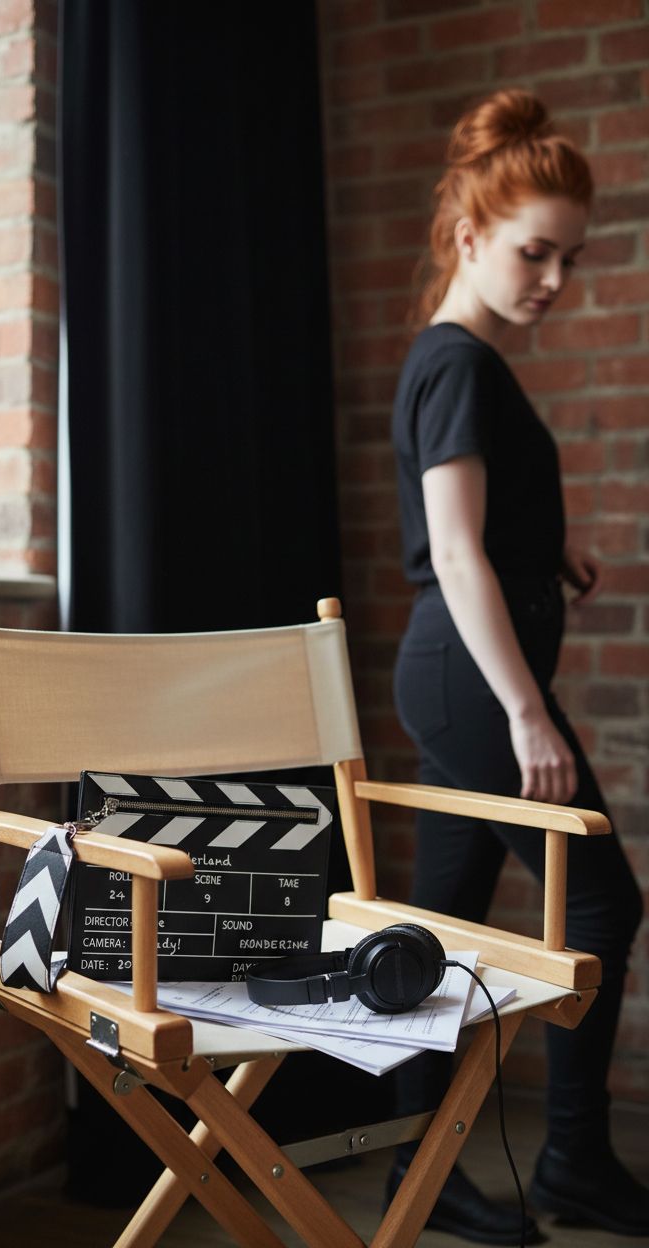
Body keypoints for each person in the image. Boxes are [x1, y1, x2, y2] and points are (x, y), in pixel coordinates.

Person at [386, 88, 646, 1243]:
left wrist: (551, 556)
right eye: (534, 252)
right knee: (600, 895)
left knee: (438, 922)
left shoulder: (469, 366)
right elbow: (448, 550)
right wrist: (527, 712)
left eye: (569, 259)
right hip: (472, 682)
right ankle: (575, 1166)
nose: (552, 279)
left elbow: (483, 533)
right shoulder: (455, 363)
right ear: (469, 234)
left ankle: (418, 1174)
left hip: (458, 676)